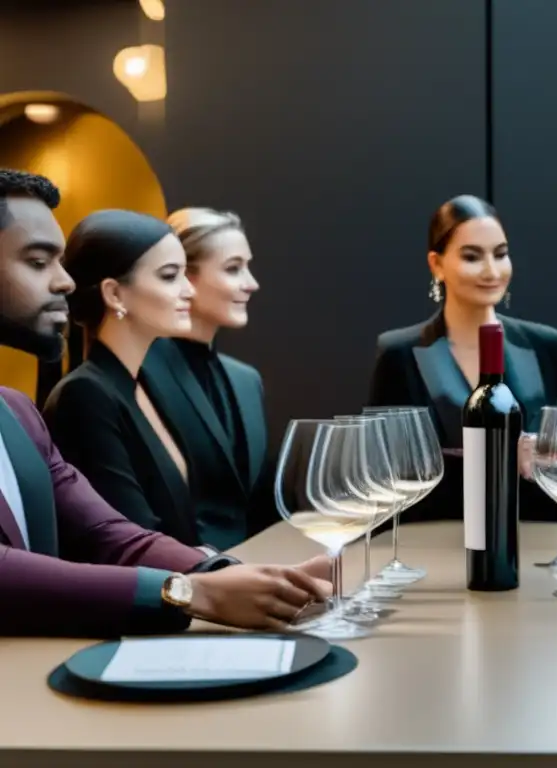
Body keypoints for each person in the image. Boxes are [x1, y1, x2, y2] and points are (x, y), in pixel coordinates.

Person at [0, 169, 328, 637]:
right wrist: (193, 592)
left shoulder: (17, 413)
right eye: (37, 262)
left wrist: (229, 574)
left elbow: (108, 534)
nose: (66, 282)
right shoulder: (84, 395)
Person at [368, 194, 557, 523]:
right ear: (437, 265)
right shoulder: (399, 352)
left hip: (532, 540)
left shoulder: (545, 344)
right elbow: (382, 468)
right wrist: (500, 457)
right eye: (472, 257)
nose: (492, 270)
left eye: (500, 255)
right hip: (432, 540)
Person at [42, 210, 202, 545]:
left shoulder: (145, 384)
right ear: (114, 294)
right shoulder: (85, 396)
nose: (189, 290)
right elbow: (129, 539)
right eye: (170, 275)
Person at [141, 208, 269, 549]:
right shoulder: (137, 373)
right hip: (179, 585)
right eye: (233, 268)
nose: (251, 283)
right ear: (184, 275)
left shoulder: (247, 380)